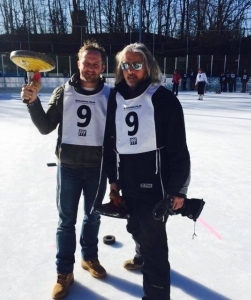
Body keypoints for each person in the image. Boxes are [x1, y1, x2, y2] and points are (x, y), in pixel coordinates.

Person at [21, 40, 110, 300]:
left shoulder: (111, 95)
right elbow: (46, 127)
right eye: (86, 63)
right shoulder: (63, 92)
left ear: (102, 66)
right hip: (68, 168)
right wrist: (33, 102)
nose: (90, 68)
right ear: (78, 63)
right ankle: (64, 272)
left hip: (97, 168)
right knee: (66, 222)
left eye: (95, 64)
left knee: (92, 218)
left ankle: (89, 257)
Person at [104, 43, 191, 300]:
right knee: (134, 227)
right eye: (126, 65)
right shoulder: (115, 98)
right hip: (128, 184)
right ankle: (140, 256)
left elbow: (179, 150)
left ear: (148, 67)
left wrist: (178, 190)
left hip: (156, 188)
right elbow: (111, 144)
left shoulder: (164, 99)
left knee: (155, 248)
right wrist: (113, 180)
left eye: (137, 65)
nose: (131, 70)